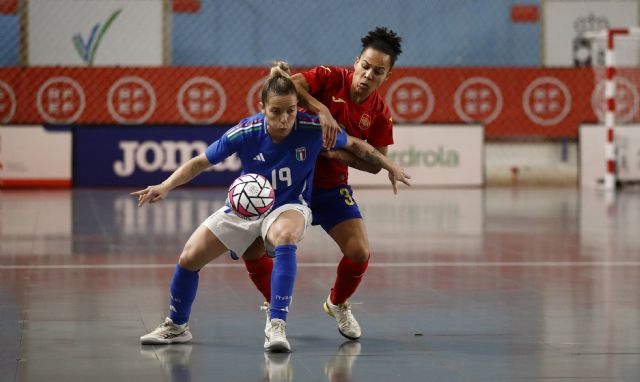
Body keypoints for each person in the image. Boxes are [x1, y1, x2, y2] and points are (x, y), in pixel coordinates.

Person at [135, 61, 410, 352]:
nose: (284, 119)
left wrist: (388, 164)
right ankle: (177, 326)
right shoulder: (246, 131)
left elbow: (358, 146)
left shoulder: (311, 127)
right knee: (189, 257)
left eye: (291, 110)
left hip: (290, 205)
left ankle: (277, 325)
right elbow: (200, 163)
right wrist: (164, 186)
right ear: (262, 107)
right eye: (276, 111)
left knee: (286, 237)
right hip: (245, 207)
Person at [242, 26, 403, 341]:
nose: (368, 75)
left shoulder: (381, 113)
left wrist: (334, 153)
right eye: (365, 66)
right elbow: (288, 86)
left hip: (329, 186)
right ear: (356, 62)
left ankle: (338, 302)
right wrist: (323, 111)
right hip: (288, 180)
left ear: (387, 76)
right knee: (252, 248)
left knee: (359, 251)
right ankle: (272, 301)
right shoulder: (330, 77)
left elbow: (373, 164)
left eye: (378, 71)